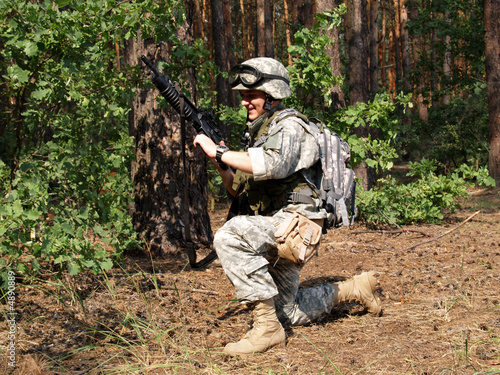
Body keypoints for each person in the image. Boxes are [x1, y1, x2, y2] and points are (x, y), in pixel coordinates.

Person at [193, 57, 381, 356]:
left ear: (271, 95)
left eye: (250, 96)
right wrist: (219, 161)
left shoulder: (290, 126)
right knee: (288, 313)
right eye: (242, 96)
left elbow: (273, 165)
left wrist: (220, 150)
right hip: (279, 225)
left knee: (230, 235)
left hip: (297, 224)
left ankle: (267, 330)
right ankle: (354, 289)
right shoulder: (263, 132)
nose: (244, 103)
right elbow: (236, 189)